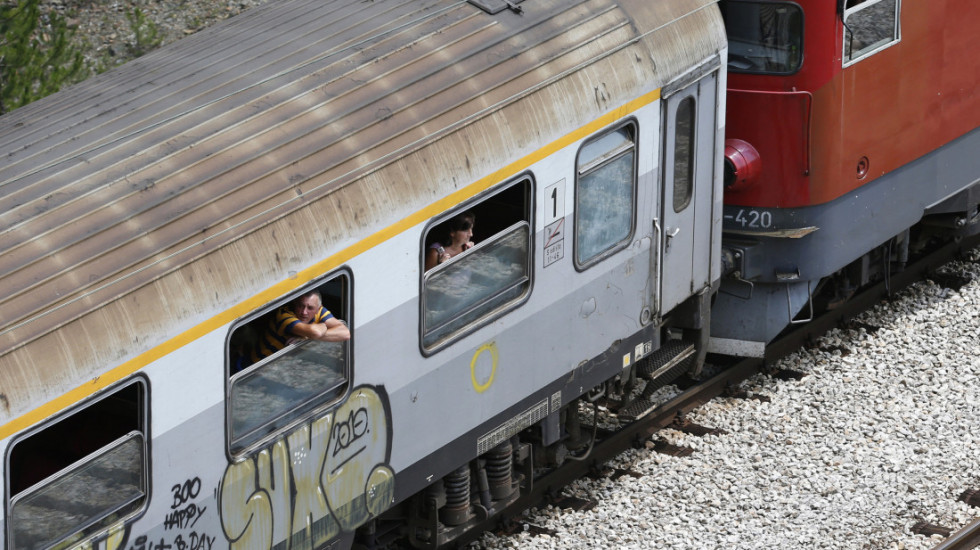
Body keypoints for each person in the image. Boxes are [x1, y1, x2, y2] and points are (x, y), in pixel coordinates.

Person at [251, 290, 350, 362]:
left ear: (318, 308)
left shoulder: (320, 311)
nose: (304, 312)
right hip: (255, 367)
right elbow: (316, 332)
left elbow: (345, 333)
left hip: (279, 364)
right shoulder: (284, 315)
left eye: (310, 308)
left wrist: (306, 337)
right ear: (295, 303)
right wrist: (323, 326)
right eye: (300, 306)